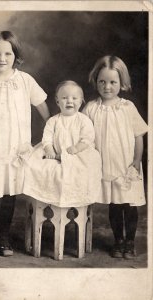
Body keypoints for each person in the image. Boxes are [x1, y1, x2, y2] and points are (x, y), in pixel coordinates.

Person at [0, 31, 50, 257]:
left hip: (17, 150)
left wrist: (53, 131)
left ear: (15, 55)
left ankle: (4, 238)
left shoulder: (25, 81)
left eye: (8, 53)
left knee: (9, 194)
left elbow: (42, 106)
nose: (2, 58)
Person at [82, 55, 148, 259]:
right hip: (105, 167)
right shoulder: (91, 108)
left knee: (129, 206)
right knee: (114, 204)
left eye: (113, 82)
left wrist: (136, 161)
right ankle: (118, 241)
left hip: (127, 166)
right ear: (96, 81)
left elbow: (138, 136)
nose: (107, 87)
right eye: (102, 81)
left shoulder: (127, 108)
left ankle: (130, 242)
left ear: (122, 82)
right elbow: (83, 134)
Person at [23, 80, 102, 207]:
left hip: (77, 153)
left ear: (81, 101)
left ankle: (75, 197)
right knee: (39, 166)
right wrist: (49, 149)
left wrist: (76, 149)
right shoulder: (53, 121)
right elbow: (47, 138)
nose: (69, 101)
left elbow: (87, 139)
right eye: (64, 98)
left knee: (83, 168)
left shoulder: (83, 120)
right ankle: (48, 197)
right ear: (58, 101)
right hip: (55, 152)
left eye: (74, 98)